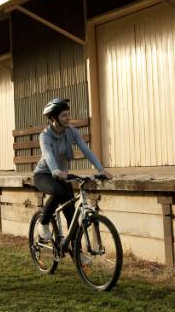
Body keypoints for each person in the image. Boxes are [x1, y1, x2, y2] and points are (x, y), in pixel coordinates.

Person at [32, 98, 113, 242]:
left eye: (68, 114)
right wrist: (55, 170)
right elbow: (47, 154)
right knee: (58, 191)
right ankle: (43, 224)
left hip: (63, 175)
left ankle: (77, 253)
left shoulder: (71, 131)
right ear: (53, 118)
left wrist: (101, 169)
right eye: (64, 115)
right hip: (44, 174)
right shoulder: (45, 135)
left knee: (72, 215)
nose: (68, 118)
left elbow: (85, 150)